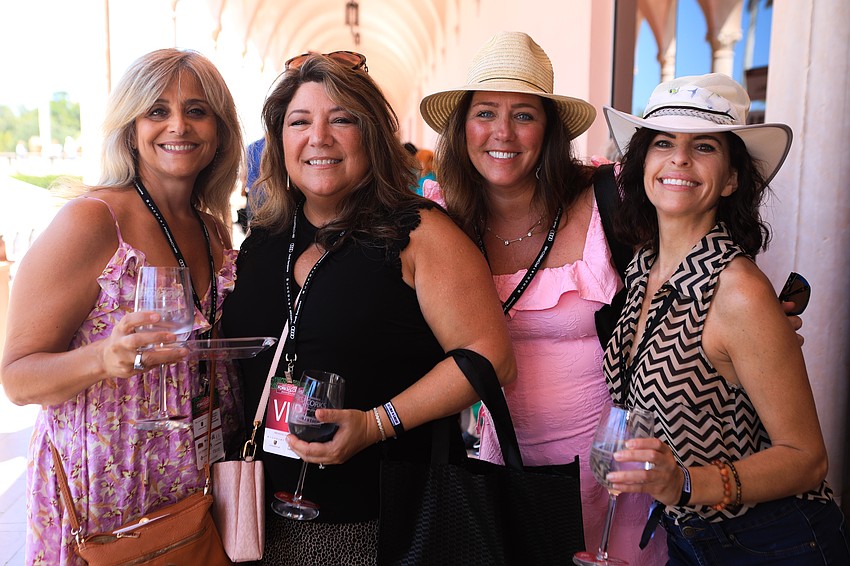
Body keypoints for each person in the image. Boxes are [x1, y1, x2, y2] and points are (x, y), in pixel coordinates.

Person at [220, 51, 515, 564]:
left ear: (373, 135)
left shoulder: (419, 233)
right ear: (279, 140)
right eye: (299, 122)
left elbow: (490, 357)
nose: (319, 137)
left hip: (381, 523)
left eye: (342, 120)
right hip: (258, 519)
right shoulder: (264, 241)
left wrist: (377, 423)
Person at [419, 31, 667, 563]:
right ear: (462, 126)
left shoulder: (609, 199)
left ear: (549, 131)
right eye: (485, 112)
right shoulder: (444, 218)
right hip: (503, 464)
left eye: (524, 115)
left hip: (612, 470)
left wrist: (747, 315)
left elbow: (684, 268)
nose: (502, 132)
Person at [0, 48, 245, 566]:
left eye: (197, 110)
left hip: (192, 490)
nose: (178, 125)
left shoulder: (214, 233)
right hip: (105, 502)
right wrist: (102, 358)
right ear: (131, 127)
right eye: (156, 111)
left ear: (220, 130)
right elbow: (17, 378)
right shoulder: (91, 222)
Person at [601, 73, 850, 564]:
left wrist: (686, 483)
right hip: (690, 537)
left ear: (733, 178)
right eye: (663, 142)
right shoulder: (642, 266)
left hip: (774, 541)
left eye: (705, 146)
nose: (679, 158)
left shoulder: (739, 291)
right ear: (642, 163)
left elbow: (807, 458)